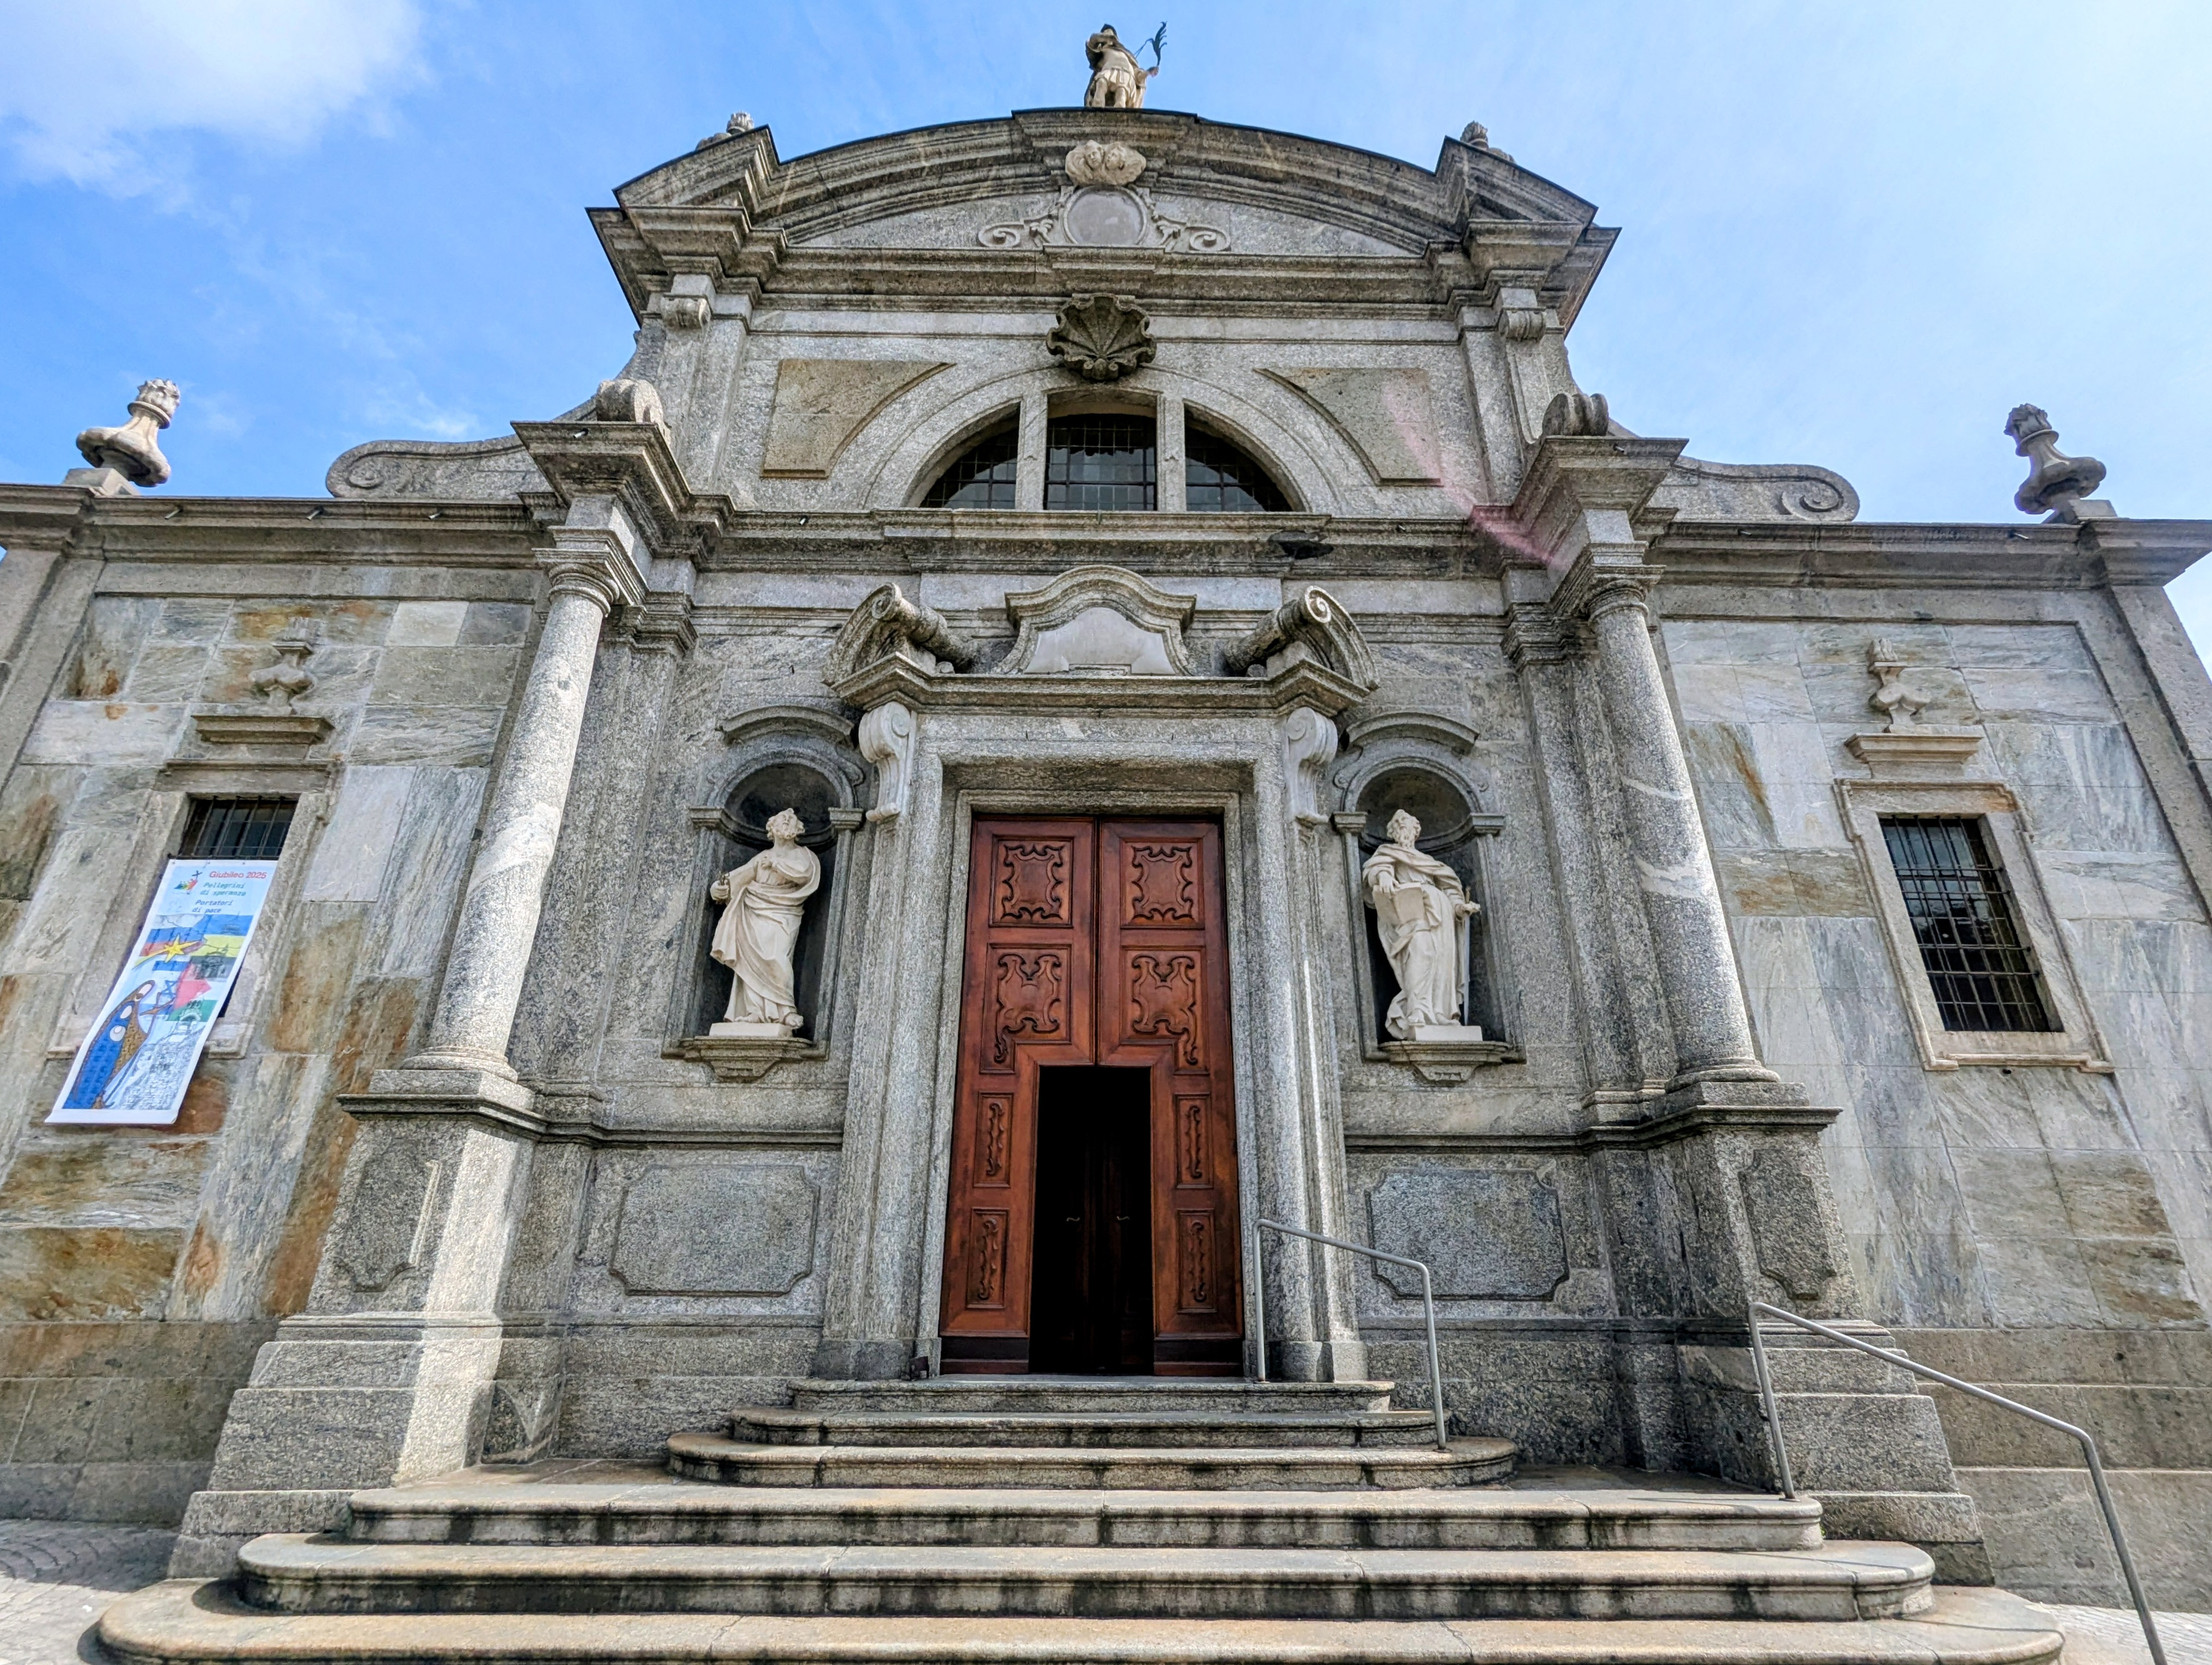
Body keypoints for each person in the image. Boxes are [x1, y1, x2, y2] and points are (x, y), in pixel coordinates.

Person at [1362, 810, 1480, 1038]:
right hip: (1413, 913)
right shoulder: (1388, 854)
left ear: (1416, 831)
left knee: (1442, 962)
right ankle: (1416, 1010)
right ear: (1393, 832)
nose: (1402, 828)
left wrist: (1460, 907)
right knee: (1421, 954)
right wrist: (1384, 876)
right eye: (1397, 825)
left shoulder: (1430, 862)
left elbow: (1449, 888)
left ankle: (1442, 1014)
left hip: (1442, 916)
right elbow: (1375, 869)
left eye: (1405, 824)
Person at [709, 809, 821, 1033]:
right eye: (782, 819)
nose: (787, 820)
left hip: (784, 912)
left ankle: (786, 1010)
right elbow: (737, 878)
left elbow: (804, 874)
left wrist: (778, 865)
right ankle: (754, 1012)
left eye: (791, 819)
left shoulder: (803, 855)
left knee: (777, 957)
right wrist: (719, 889)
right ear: (772, 828)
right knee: (750, 961)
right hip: (753, 911)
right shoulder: (762, 858)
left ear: (799, 829)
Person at [1084, 25, 1157, 109]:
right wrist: (1106, 38)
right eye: (1105, 33)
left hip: (1125, 74)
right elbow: (1092, 42)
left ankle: (1120, 114)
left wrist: (1147, 73)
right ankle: (1097, 110)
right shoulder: (1102, 50)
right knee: (1101, 84)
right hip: (1108, 71)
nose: (1108, 34)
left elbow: (1137, 77)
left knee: (1121, 94)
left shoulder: (1127, 55)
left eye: (1110, 33)